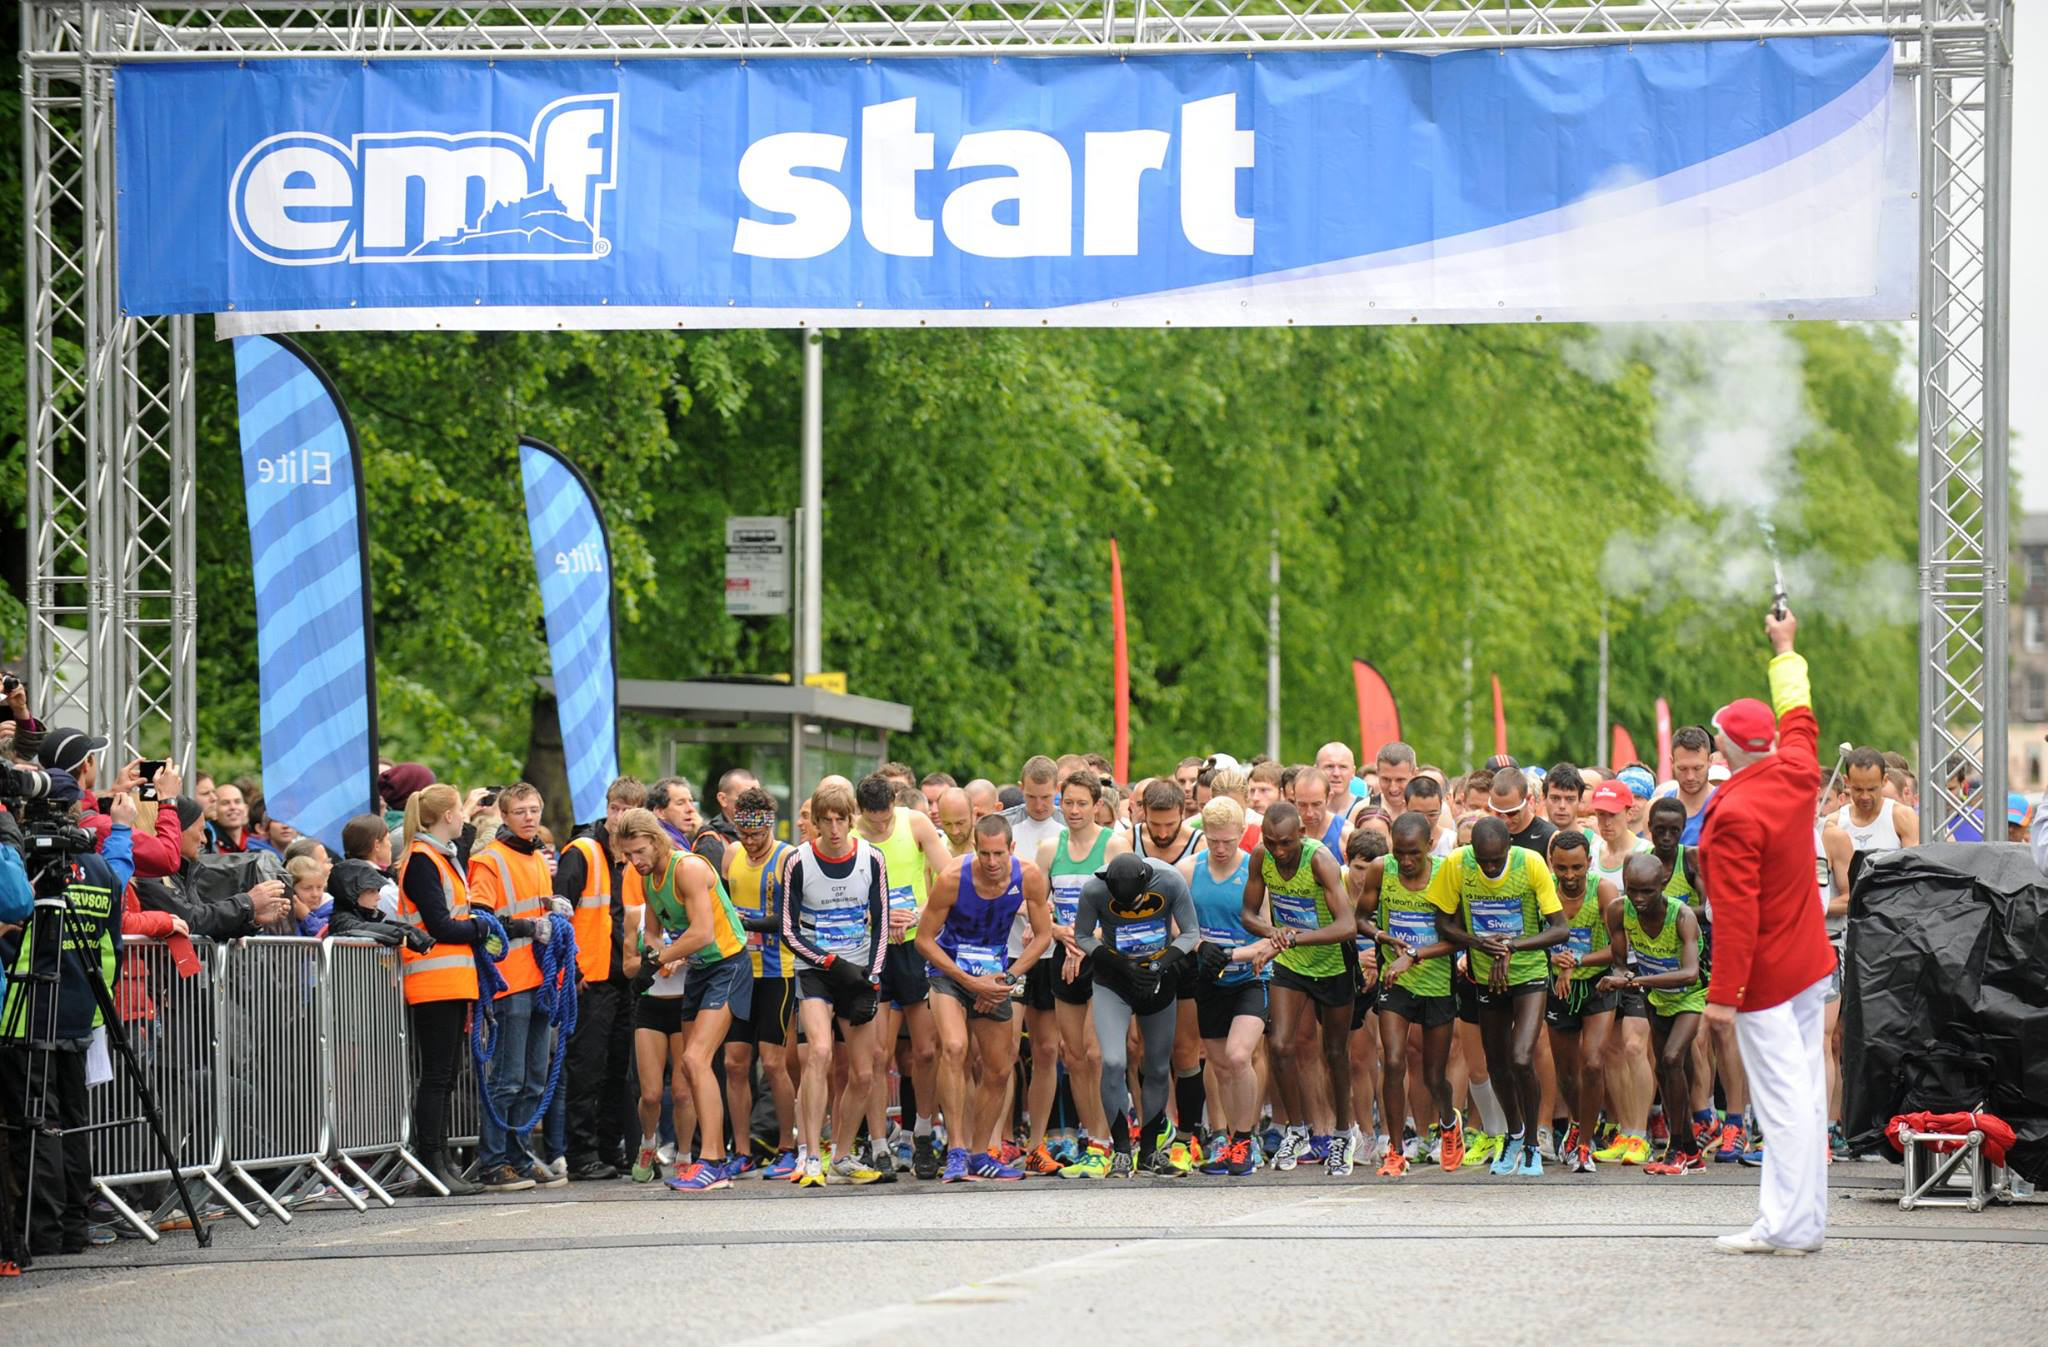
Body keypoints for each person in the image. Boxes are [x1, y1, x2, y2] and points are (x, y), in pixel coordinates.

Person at [1700, 606, 1838, 1255]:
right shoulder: (1798, 769)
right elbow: (1800, 712)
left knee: (1782, 1103)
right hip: (1808, 962)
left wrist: (1722, 996)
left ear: (1726, 746)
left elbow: (1736, 914)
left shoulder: (1735, 812)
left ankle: (1785, 1225)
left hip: (1762, 977)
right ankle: (1802, 1220)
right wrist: (1785, 646)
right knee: (1805, 1094)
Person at [0, 786, 133, 1259]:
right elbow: (110, 948)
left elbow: (15, 926)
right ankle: (75, 1226)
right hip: (79, 1011)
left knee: (40, 1125)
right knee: (73, 1123)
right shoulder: (99, 869)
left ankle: (45, 1233)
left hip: (28, 1010)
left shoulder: (28, 867)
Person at [615, 807, 751, 1192]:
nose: (635, 861)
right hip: (700, 971)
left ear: (657, 841)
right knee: (692, 1070)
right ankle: (711, 1158)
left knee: (694, 1059)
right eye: (627, 855)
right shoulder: (647, 880)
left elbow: (704, 933)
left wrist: (658, 959)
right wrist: (654, 955)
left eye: (639, 851)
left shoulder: (687, 868)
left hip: (727, 964)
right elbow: (655, 934)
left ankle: (711, 1160)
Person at [1426, 817, 1568, 1177]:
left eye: (1496, 860)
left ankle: (1534, 1144)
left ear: (1509, 847)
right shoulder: (1458, 863)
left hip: (1530, 972)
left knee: (1522, 1057)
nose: (1489, 867)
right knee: (1496, 1063)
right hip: (1485, 973)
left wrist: (1512, 947)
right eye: (1483, 860)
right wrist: (1478, 943)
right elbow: (1442, 922)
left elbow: (1559, 928)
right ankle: (1515, 1133)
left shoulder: (1530, 863)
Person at [917, 814, 1052, 1182]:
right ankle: (957, 1150)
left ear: (1011, 848)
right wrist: (968, 982)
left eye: (998, 854)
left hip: (994, 973)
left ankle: (980, 1152)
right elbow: (924, 940)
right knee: (956, 1048)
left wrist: (1007, 978)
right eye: (984, 854)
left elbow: (1042, 936)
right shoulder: (952, 878)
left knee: (999, 1065)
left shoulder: (1029, 877)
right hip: (950, 972)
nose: (992, 863)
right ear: (975, 849)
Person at [781, 781, 889, 1188]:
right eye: (824, 820)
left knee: (864, 1073)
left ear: (851, 819)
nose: (833, 828)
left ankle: (841, 1155)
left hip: (859, 969)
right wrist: (829, 962)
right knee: (820, 1053)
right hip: (817, 969)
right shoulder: (798, 861)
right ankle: (809, 1153)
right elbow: (789, 931)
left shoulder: (872, 859)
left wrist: (871, 980)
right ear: (815, 823)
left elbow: (880, 923)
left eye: (840, 819)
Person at [1241, 801, 1358, 1176]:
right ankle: (1296, 1129)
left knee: (1335, 1051)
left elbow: (1347, 926)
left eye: (1286, 843)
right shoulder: (1261, 857)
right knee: (1279, 1044)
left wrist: (1296, 938)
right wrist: (1272, 932)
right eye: (1271, 842)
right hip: (1291, 964)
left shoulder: (1319, 860)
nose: (1278, 851)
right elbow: (1247, 914)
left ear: (1301, 836)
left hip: (1332, 963)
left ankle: (1343, 1133)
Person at [465, 783, 571, 1191]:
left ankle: (520, 1157)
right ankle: (494, 1162)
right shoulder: (490, 860)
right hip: (511, 979)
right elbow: (485, 921)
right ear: (504, 817)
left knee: (533, 1079)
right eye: (520, 812)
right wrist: (532, 925)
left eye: (534, 810)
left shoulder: (538, 859)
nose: (529, 817)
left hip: (541, 977)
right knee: (508, 1078)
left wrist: (554, 910)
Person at [1072, 852, 1198, 1177]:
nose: (1130, 909)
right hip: (1114, 981)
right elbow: (1083, 936)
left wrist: (1159, 964)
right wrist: (1120, 964)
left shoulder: (1169, 880)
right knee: (1113, 1061)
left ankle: (1151, 1152)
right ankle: (1121, 1152)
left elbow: (1190, 933)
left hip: (1158, 978)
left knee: (1156, 1066)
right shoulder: (1094, 889)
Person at [854, 772, 953, 1181]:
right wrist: (876, 916)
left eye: (885, 819)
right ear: (861, 812)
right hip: (874, 947)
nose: (881, 827)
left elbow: (948, 878)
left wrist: (917, 913)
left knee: (926, 1051)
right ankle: (879, 1144)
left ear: (894, 803)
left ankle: (924, 1133)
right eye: (873, 821)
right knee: (878, 1055)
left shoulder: (915, 822)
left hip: (914, 942)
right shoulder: (854, 835)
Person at [395, 783, 489, 1197]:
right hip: (433, 979)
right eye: (461, 812)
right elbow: (440, 925)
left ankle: (442, 1158)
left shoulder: (440, 856)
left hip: (450, 980)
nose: (465, 818)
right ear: (449, 816)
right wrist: (481, 927)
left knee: (446, 1076)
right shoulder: (422, 860)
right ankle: (431, 1158)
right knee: (436, 1077)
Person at [1034, 770, 1127, 1179]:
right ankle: (1093, 1139)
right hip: (1064, 955)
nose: (1073, 811)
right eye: (1066, 803)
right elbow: (1035, 905)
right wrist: (1059, 934)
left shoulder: (1114, 847)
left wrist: (1085, 939)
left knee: (1097, 1053)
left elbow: (1127, 909)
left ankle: (1109, 1142)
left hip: (1103, 957)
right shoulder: (1049, 848)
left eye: (1081, 804)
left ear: (1097, 806)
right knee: (1073, 1058)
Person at [1356, 812, 1458, 1177]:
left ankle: (1448, 1123)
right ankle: (1395, 1149)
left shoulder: (1446, 872)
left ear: (1430, 845)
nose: (1407, 861)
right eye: (1400, 853)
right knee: (1394, 1061)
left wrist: (1413, 955)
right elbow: (1361, 918)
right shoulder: (1382, 870)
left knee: (1433, 1075)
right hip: (1394, 983)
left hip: (1437, 983)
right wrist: (1382, 938)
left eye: (1414, 852)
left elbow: (1455, 938)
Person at [555, 777, 646, 1182]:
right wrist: (570, 970)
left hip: (621, 977)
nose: (619, 817)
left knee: (616, 1071)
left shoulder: (630, 860)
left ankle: (610, 1147)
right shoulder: (583, 852)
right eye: (615, 808)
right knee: (586, 1069)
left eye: (628, 810)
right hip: (589, 979)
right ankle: (581, 1153)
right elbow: (561, 917)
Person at [1180, 797, 1277, 1177]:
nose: (1220, 849)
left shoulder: (1256, 871)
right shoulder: (1189, 870)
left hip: (1249, 975)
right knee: (1220, 1066)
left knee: (1239, 1056)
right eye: (1213, 841)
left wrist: (1235, 954)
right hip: (1209, 979)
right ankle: (1231, 1143)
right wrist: (1202, 947)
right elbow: (1177, 924)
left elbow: (1271, 935)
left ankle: (1243, 1140)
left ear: (1241, 833)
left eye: (1228, 841)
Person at [1601, 852, 1709, 1176]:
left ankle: (1675, 1148)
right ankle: (1691, 1151)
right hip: (1656, 996)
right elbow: (1620, 960)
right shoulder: (1619, 911)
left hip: (1691, 995)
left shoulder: (1682, 916)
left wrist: (1634, 980)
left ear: (1662, 883)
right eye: (1632, 890)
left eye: (1647, 891)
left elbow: (1690, 973)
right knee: (1665, 1069)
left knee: (1673, 1057)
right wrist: (1624, 975)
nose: (1639, 898)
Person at [721, 786, 800, 1180]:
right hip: (739, 973)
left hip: (777, 972)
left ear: (770, 826)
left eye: (757, 835)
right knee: (735, 1063)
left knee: (773, 1063)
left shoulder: (787, 857)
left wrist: (743, 921)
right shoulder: (732, 855)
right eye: (743, 834)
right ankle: (743, 1148)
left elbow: (790, 921)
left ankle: (788, 1145)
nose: (750, 843)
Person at [1542, 829, 1617, 1173]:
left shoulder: (1603, 890)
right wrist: (1551, 959)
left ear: (1589, 863)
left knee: (1592, 1063)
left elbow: (1620, 950)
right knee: (1568, 1073)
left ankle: (1586, 1144)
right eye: (1562, 868)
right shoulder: (1543, 891)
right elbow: (1533, 937)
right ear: (1551, 864)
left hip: (1597, 986)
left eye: (1577, 868)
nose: (1570, 877)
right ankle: (1576, 1122)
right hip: (1559, 990)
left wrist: (1577, 962)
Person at [1832, 747, 1921, 892]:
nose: (1865, 796)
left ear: (1884, 780)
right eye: (1858, 789)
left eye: (1872, 789)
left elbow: (1913, 875)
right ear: (1847, 782)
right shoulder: (1835, 822)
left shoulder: (1902, 816)